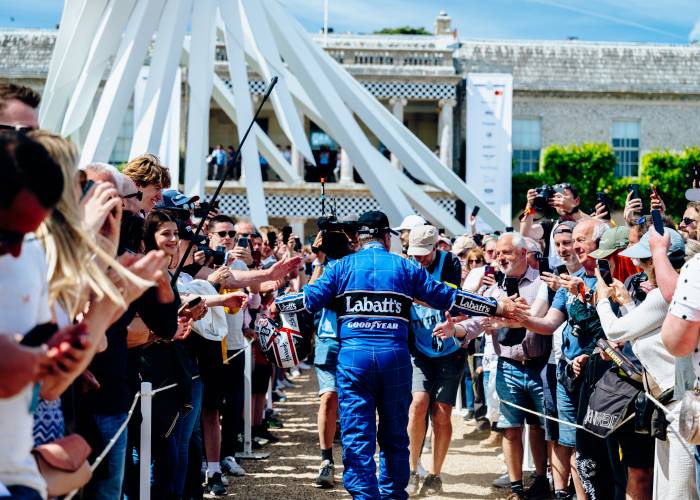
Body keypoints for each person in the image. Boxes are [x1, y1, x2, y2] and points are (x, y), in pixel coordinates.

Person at [275, 210, 528, 499]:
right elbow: (450, 297)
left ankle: (364, 496)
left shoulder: (341, 267)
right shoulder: (405, 267)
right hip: (394, 359)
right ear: (386, 238)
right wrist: (496, 307)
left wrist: (275, 301)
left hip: (354, 360)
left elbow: (306, 300)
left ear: (357, 238)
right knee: (395, 437)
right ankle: (394, 494)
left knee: (358, 437)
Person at [442, 233, 551, 500]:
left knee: (538, 428)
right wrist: (454, 329)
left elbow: (542, 319)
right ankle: (516, 488)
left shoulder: (542, 284)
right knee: (510, 428)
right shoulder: (494, 290)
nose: (500, 258)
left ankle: (540, 481)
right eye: (498, 253)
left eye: (507, 253)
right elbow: (474, 323)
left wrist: (505, 320)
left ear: (524, 254)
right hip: (508, 367)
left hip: (539, 366)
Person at [520, 219, 609, 499]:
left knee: (589, 447)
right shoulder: (565, 285)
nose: (568, 249)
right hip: (566, 373)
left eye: (574, 242)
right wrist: (513, 315)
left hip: (596, 375)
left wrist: (589, 355)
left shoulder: (600, 279)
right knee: (569, 441)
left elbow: (612, 330)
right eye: (561, 245)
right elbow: (548, 324)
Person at [404, 225, 463, 497]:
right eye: (415, 256)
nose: (420, 261)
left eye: (424, 255)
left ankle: (436, 473)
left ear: (436, 246)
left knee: (441, 413)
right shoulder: (407, 265)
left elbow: (447, 300)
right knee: (418, 404)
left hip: (450, 350)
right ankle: (412, 467)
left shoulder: (450, 262)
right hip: (419, 348)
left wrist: (415, 296)